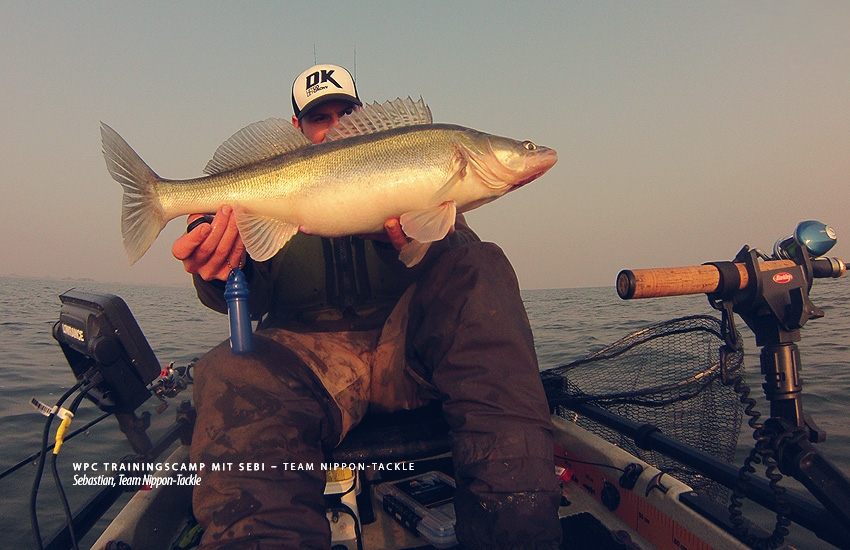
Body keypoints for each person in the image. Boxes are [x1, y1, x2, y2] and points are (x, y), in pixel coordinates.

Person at [172, 64, 562, 550]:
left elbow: (460, 286)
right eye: (320, 118)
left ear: (361, 115)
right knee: (230, 370)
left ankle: (517, 528)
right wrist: (224, 266)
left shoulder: (416, 168)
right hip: (308, 363)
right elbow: (245, 298)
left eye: (345, 112)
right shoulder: (269, 197)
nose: (333, 125)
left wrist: (408, 243)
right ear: (298, 127)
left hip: (405, 356)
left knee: (480, 263)